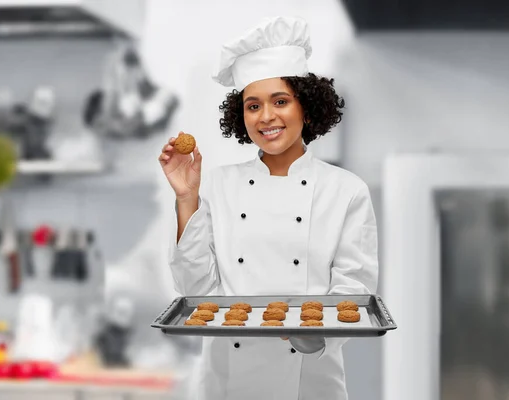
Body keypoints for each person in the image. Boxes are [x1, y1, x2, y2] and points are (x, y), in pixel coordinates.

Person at [158, 16, 379, 400]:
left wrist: (311, 334)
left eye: (281, 101)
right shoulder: (217, 184)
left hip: (311, 381)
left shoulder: (346, 191)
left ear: (306, 108)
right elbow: (196, 292)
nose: (266, 117)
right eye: (253, 105)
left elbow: (353, 293)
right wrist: (186, 198)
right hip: (226, 380)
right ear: (241, 117)